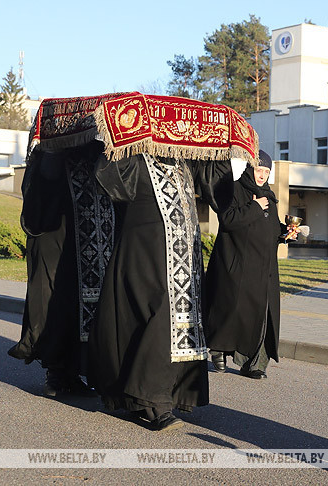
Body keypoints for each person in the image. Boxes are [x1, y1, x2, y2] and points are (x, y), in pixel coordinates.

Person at [88, 153, 229, 431]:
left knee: (179, 323)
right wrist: (120, 141)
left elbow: (217, 187)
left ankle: (167, 394)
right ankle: (155, 402)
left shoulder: (185, 160)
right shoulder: (136, 157)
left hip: (183, 258)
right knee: (157, 321)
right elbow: (111, 181)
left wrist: (223, 149)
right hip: (145, 253)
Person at [9, 141, 113, 398]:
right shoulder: (51, 152)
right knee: (57, 308)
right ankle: (56, 374)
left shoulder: (92, 153)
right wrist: (54, 148)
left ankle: (74, 373)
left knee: (80, 310)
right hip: (56, 243)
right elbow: (43, 187)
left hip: (85, 247)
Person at [204, 150, 298, 379]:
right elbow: (227, 220)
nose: (262, 175)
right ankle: (218, 351)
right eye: (259, 170)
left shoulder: (270, 196)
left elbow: (272, 229)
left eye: (266, 171)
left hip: (264, 269)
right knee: (232, 311)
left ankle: (255, 364)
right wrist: (255, 207)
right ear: (250, 169)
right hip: (238, 265)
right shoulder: (234, 189)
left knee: (264, 316)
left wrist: (285, 234)